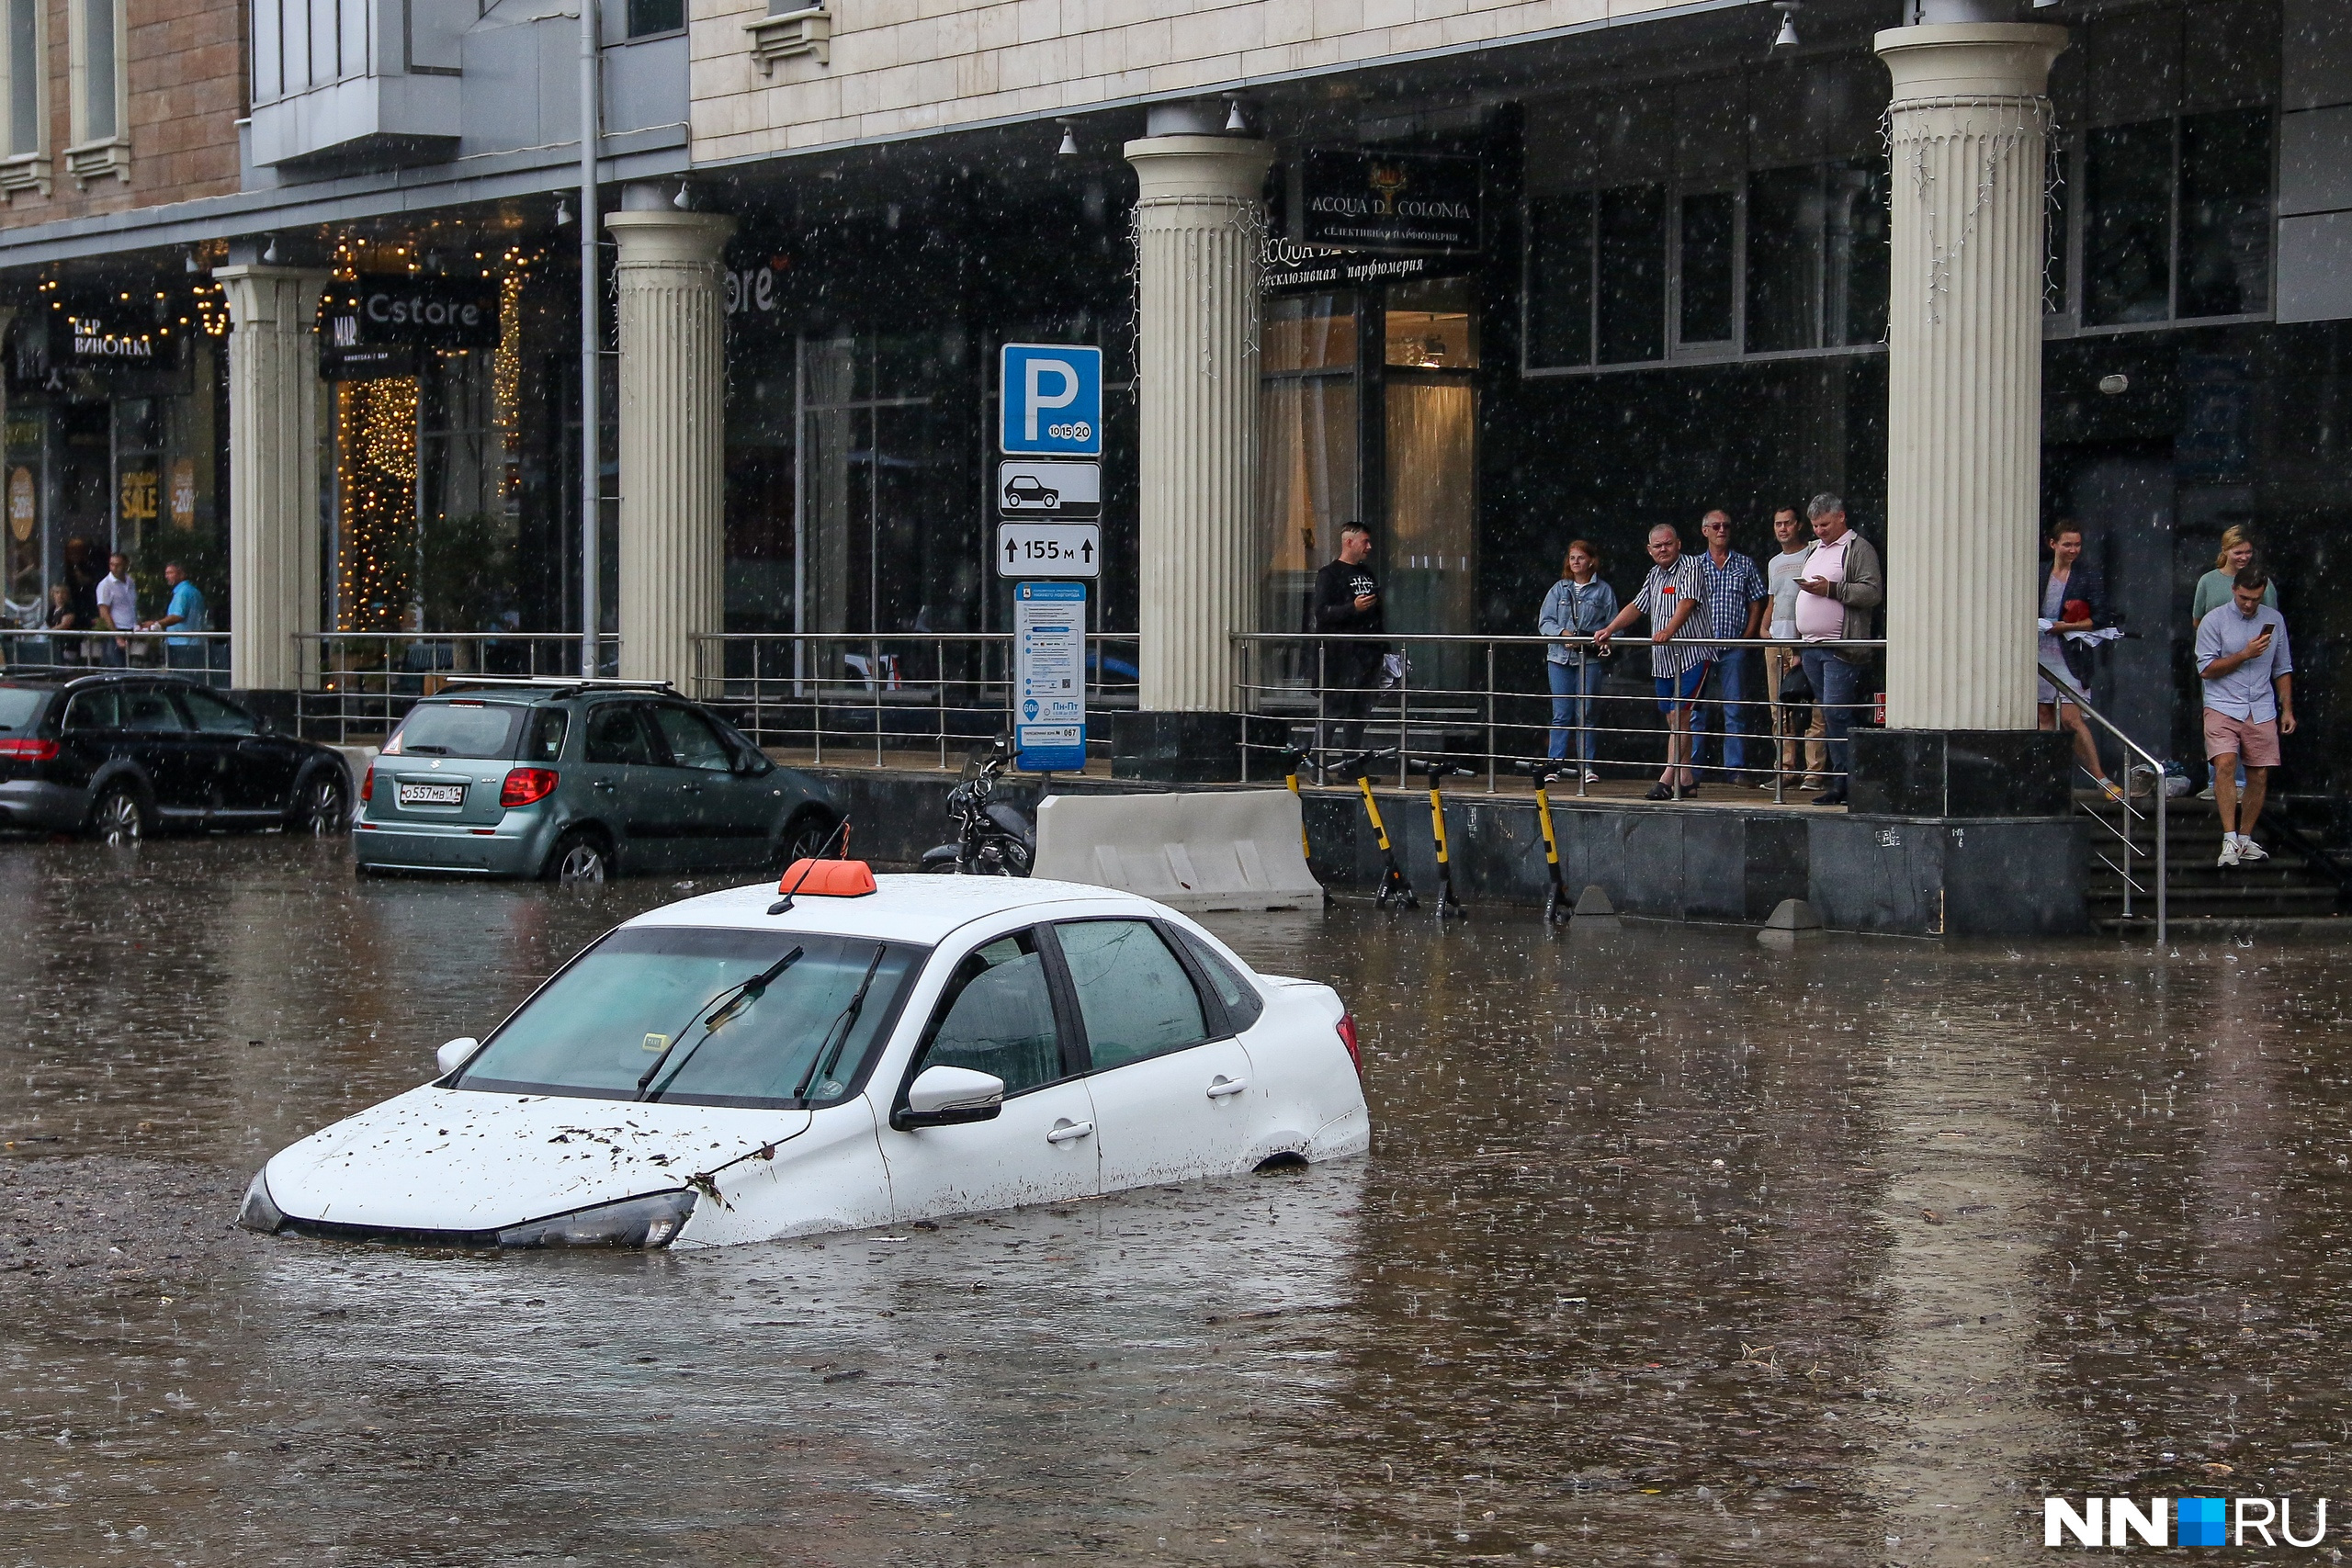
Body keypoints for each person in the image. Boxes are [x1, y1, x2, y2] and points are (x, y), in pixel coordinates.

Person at [1592, 523, 1708, 800]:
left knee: (1680, 715)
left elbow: (1687, 603)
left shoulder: (1692, 566)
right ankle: (1686, 777)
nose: (1663, 549)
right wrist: (1610, 629)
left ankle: (1667, 778)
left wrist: (1669, 630)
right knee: (1674, 718)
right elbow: (1638, 605)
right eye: (1658, 546)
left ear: (1678, 544)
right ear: (1649, 550)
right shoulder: (1654, 575)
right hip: (1663, 660)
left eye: (1668, 543)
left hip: (1690, 655)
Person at [2196, 566, 2294, 868]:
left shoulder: (2273, 619)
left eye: (2255, 598)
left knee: (2259, 774)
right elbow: (2206, 669)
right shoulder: (2215, 620)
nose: (2249, 604)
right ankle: (2229, 837)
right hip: (2222, 702)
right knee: (2224, 764)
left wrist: (2287, 709)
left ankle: (2246, 838)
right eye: (2243, 598)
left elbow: (2283, 667)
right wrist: (2244, 654)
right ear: (2234, 591)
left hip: (2261, 705)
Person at [1792, 493, 1883, 807]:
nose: (1819, 531)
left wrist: (1830, 590)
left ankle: (1844, 779)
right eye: (1815, 525)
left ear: (1841, 517)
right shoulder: (1814, 549)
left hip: (1840, 649)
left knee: (1836, 712)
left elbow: (1872, 592)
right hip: (1811, 648)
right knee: (1830, 715)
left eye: (1825, 524)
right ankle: (1841, 778)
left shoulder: (1859, 549)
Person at [2035, 521, 2122, 803]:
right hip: (2038, 651)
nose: (2073, 550)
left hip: (2068, 651)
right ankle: (2046, 781)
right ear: (2053, 544)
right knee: (2044, 718)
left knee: (2072, 719)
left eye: (2077, 545)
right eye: (2067, 544)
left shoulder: (2087, 575)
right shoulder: (2039, 572)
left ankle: (2101, 778)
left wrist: (2064, 626)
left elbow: (2101, 617)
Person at [2190, 526, 2276, 801]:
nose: (2244, 557)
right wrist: (2216, 644)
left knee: (2250, 723)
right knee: (2216, 719)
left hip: (2253, 667)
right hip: (2217, 661)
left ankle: (2240, 782)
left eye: (2248, 552)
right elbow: (2197, 620)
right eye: (2238, 552)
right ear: (2224, 551)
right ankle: (2216, 779)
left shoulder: (2264, 582)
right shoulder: (2208, 581)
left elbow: (2271, 622)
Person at [1690, 509, 1770, 784]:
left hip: (1733, 647)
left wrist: (1747, 637)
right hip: (1700, 648)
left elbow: (1757, 600)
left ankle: (1735, 769)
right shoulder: (1693, 566)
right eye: (1715, 526)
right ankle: (1692, 771)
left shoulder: (1744, 565)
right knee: (1694, 710)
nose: (1721, 530)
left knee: (1734, 709)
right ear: (1705, 531)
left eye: (1726, 525)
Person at [1537, 540, 1617, 774]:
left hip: (1588, 658)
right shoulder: (1559, 589)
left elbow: (1614, 625)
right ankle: (1555, 765)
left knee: (1587, 712)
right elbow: (1545, 621)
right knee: (1561, 713)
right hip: (1559, 657)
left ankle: (1586, 767)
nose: (1575, 562)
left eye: (1580, 558)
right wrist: (1564, 634)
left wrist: (1598, 639)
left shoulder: (1603, 591)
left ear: (1591, 560)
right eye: (1572, 558)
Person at [1761, 506, 1826, 791]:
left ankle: (1814, 770)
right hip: (1777, 641)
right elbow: (1773, 600)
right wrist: (1765, 630)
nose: (1783, 529)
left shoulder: (1812, 554)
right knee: (1779, 708)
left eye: (1788, 523)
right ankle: (1785, 769)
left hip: (1806, 641)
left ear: (1799, 525)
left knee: (1815, 709)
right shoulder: (1774, 562)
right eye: (1778, 524)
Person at [1313, 521, 1385, 758]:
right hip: (1340, 655)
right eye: (1365, 541)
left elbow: (1378, 614)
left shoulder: (1367, 572)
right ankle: (1318, 762)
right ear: (1349, 542)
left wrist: (1384, 648)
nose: (1369, 547)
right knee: (1333, 709)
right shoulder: (1329, 574)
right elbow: (1322, 613)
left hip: (1367, 653)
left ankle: (1350, 763)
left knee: (1360, 711)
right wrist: (1352, 608)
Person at [144, 561, 209, 679]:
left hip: (182, 644)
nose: (167, 576)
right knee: (195, 677)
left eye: (170, 573)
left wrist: (156, 624)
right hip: (195, 643)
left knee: (182, 678)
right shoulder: (193, 591)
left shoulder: (182, 593)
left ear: (182, 574)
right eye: (166, 573)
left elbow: (178, 616)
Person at [95, 552, 136, 668]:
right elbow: (104, 612)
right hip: (115, 629)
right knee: (116, 665)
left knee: (127, 666)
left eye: (118, 565)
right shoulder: (105, 585)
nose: (114, 568)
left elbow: (131, 606)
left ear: (126, 565)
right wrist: (117, 636)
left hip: (130, 629)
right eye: (112, 565)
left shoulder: (130, 581)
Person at [41, 582, 80, 670]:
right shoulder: (52, 609)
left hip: (68, 645)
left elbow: (65, 624)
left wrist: (48, 632)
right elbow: (47, 623)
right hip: (55, 645)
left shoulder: (69, 608)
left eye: (63, 593)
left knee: (67, 668)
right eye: (57, 593)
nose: (60, 596)